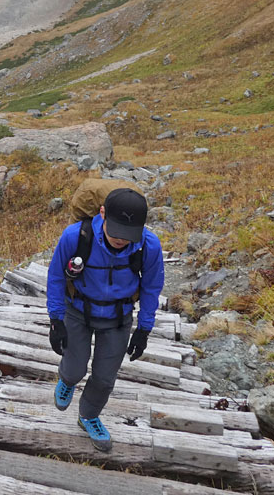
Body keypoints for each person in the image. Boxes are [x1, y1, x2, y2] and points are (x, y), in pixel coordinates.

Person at [46, 187, 165, 452]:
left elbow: (151, 288)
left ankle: (88, 415)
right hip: (78, 310)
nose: (122, 240)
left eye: (128, 235)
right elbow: (55, 276)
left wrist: (144, 329)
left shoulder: (148, 246)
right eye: (116, 232)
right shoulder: (75, 237)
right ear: (102, 214)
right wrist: (56, 320)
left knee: (104, 377)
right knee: (75, 367)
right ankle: (66, 379)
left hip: (118, 317)